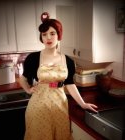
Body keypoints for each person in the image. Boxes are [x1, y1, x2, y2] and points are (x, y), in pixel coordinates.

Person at [18, 12, 98, 140]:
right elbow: (22, 79)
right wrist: (28, 89)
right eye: (44, 35)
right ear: (41, 37)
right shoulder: (33, 58)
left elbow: (70, 84)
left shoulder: (68, 61)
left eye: (52, 33)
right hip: (38, 108)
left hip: (59, 106)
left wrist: (83, 104)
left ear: (59, 35)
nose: (48, 38)